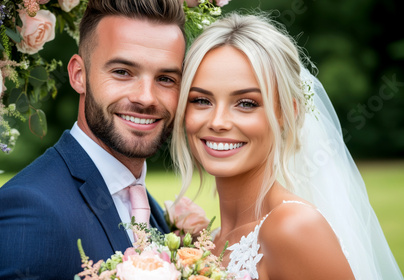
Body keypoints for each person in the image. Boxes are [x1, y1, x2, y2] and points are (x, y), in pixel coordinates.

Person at [0, 0, 186, 278]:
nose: (146, 97)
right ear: (79, 75)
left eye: (166, 78)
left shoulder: (147, 208)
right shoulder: (24, 216)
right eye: (122, 72)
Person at [171, 12, 404, 280]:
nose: (218, 121)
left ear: (288, 114)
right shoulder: (204, 244)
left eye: (246, 103)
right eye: (201, 100)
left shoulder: (294, 228)